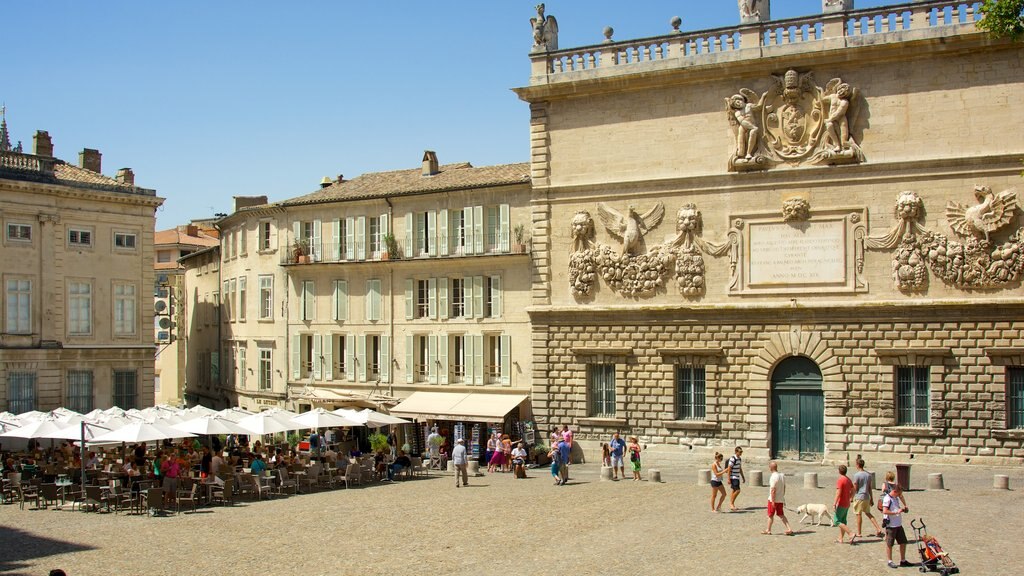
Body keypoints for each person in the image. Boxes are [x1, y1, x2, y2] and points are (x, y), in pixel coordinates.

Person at [882, 483, 913, 569]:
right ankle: (890, 561)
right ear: (895, 491)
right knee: (890, 544)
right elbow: (885, 511)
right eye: (899, 493)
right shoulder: (887, 499)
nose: (900, 495)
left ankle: (903, 560)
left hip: (898, 524)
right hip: (891, 525)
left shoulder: (896, 498)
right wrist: (896, 512)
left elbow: (896, 508)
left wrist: (902, 509)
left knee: (903, 542)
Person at [852, 457, 884, 538]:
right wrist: (871, 498)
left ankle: (859, 532)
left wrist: (851, 496)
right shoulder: (868, 475)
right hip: (866, 497)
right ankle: (878, 528)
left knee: (858, 514)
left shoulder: (856, 475)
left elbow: (855, 488)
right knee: (868, 513)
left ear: (858, 465)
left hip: (859, 497)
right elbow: (870, 488)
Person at [763, 461, 794, 535]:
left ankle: (768, 529)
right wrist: (782, 496)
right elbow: (784, 487)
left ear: (770, 468)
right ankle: (789, 528)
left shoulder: (773, 477)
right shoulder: (782, 475)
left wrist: (773, 501)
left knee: (770, 515)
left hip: (773, 499)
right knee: (781, 514)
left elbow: (773, 490)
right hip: (780, 498)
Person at [834, 464, 857, 544]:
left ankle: (850, 533)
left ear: (839, 471)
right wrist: (851, 497)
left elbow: (838, 492)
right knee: (843, 521)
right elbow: (854, 489)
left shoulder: (841, 480)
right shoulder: (848, 479)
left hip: (841, 503)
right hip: (847, 503)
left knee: (836, 521)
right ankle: (840, 538)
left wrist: (834, 503)